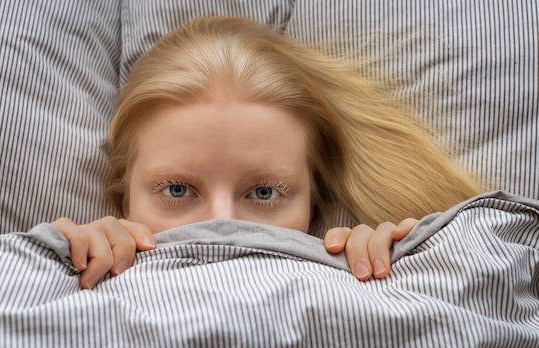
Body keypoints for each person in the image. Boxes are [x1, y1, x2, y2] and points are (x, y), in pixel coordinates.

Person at [53, 16, 482, 289]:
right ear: (122, 199)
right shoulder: (76, 271)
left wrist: (387, 274)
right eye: (178, 190)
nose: (223, 224)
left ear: (315, 207)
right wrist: (62, 261)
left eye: (264, 193)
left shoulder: (364, 278)